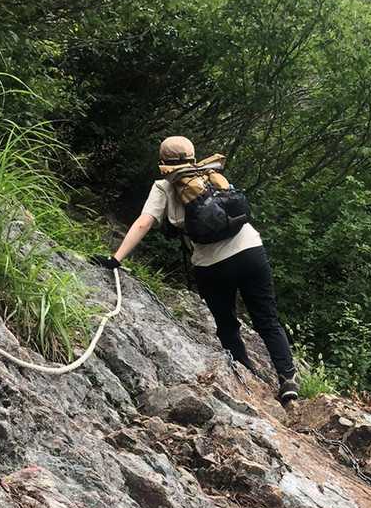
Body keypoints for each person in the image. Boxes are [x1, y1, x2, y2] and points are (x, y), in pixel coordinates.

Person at [92, 136, 299, 405]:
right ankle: (288, 379)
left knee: (227, 325)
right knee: (267, 319)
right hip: (250, 250)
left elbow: (144, 223)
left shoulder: (164, 186)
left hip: (211, 266)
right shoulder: (212, 174)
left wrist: (115, 259)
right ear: (193, 155)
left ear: (162, 161)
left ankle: (246, 379)